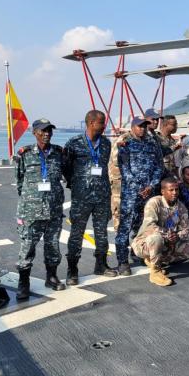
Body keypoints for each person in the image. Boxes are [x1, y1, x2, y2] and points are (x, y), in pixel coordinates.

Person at [62, 110, 117, 285]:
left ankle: (101, 265)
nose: (104, 126)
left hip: (102, 196)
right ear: (91, 123)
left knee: (101, 234)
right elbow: (66, 166)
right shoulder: (74, 143)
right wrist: (76, 182)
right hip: (81, 197)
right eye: (101, 123)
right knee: (76, 234)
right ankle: (72, 270)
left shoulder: (106, 144)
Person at [14, 118, 66, 300]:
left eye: (49, 131)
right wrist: (31, 200)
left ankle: (51, 277)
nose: (47, 134)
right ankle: (23, 283)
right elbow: (19, 182)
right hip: (31, 211)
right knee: (27, 246)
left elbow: (64, 175)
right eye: (43, 131)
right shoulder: (24, 154)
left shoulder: (59, 153)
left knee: (53, 246)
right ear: (34, 132)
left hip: (53, 210)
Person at [116, 117, 163, 275]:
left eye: (144, 126)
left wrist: (151, 186)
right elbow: (124, 169)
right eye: (139, 126)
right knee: (125, 227)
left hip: (149, 193)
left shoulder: (152, 144)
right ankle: (122, 262)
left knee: (142, 225)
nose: (142, 129)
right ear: (132, 127)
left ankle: (137, 254)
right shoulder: (126, 144)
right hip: (131, 193)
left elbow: (159, 166)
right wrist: (138, 188)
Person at [131, 177, 189, 287]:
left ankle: (154, 261)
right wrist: (167, 234)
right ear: (163, 191)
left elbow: (185, 229)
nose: (175, 193)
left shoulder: (181, 207)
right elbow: (150, 225)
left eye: (176, 189)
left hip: (168, 243)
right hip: (144, 244)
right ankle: (155, 273)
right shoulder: (154, 203)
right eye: (171, 190)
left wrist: (177, 236)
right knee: (157, 238)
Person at [154, 114, 183, 179]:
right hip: (160, 176)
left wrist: (178, 176)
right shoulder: (156, 139)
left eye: (176, 124)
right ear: (165, 125)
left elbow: (174, 162)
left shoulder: (172, 140)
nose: (176, 127)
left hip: (171, 175)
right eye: (174, 125)